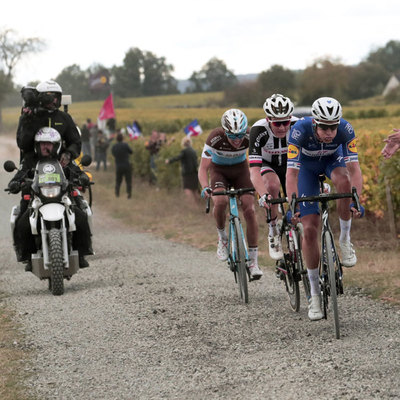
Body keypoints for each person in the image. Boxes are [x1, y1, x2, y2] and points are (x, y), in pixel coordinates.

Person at [286, 97, 363, 321]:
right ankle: (314, 294)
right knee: (309, 229)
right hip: (307, 170)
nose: (330, 132)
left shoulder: (346, 129)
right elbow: (291, 174)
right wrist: (294, 203)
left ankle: (345, 240)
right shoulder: (298, 131)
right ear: (315, 124)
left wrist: (356, 199)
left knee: (344, 181)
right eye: (324, 127)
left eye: (333, 127)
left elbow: (354, 169)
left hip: (332, 161)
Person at [8, 127, 93, 270]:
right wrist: (15, 183)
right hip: (37, 198)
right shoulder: (30, 159)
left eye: (49, 143)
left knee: (81, 218)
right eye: (42, 143)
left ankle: (81, 254)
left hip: (62, 196)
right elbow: (20, 173)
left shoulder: (64, 159)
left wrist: (82, 177)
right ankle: (28, 256)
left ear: (56, 145)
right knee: (22, 224)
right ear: (37, 145)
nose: (45, 146)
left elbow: (76, 170)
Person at [198, 109, 263, 279]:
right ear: (225, 132)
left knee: (249, 209)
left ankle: (254, 261)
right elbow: (203, 168)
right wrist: (205, 186)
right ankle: (223, 238)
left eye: (240, 135)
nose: (237, 140)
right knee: (220, 201)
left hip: (241, 171)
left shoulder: (250, 135)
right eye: (232, 136)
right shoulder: (215, 137)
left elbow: (260, 161)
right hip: (219, 171)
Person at [249, 94, 296, 260]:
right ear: (268, 120)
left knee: (298, 200)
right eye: (277, 123)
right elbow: (254, 171)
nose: (283, 127)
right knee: (272, 186)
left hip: (291, 165)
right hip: (268, 165)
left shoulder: (298, 126)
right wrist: (263, 195)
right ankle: (273, 231)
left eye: (286, 122)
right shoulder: (259, 130)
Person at [16, 80, 81, 168]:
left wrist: (68, 154)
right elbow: (23, 144)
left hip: (61, 163)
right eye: (50, 97)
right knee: (15, 182)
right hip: (32, 163)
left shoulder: (65, 117)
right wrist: (29, 120)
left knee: (83, 179)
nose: (54, 100)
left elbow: (76, 142)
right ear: (40, 97)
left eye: (57, 97)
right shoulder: (29, 117)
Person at [165, 136, 199, 204]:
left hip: (187, 173)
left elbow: (178, 157)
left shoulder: (184, 151)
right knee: (195, 190)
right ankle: (198, 205)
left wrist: (169, 161)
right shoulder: (194, 151)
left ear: (183, 143)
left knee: (187, 189)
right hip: (195, 173)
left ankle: (192, 206)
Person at [111, 132, 133, 198]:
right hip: (126, 164)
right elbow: (131, 152)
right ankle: (129, 194)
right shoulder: (125, 145)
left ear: (117, 139)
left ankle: (117, 193)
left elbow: (113, 154)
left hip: (118, 165)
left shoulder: (114, 146)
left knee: (118, 180)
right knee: (128, 180)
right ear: (122, 138)